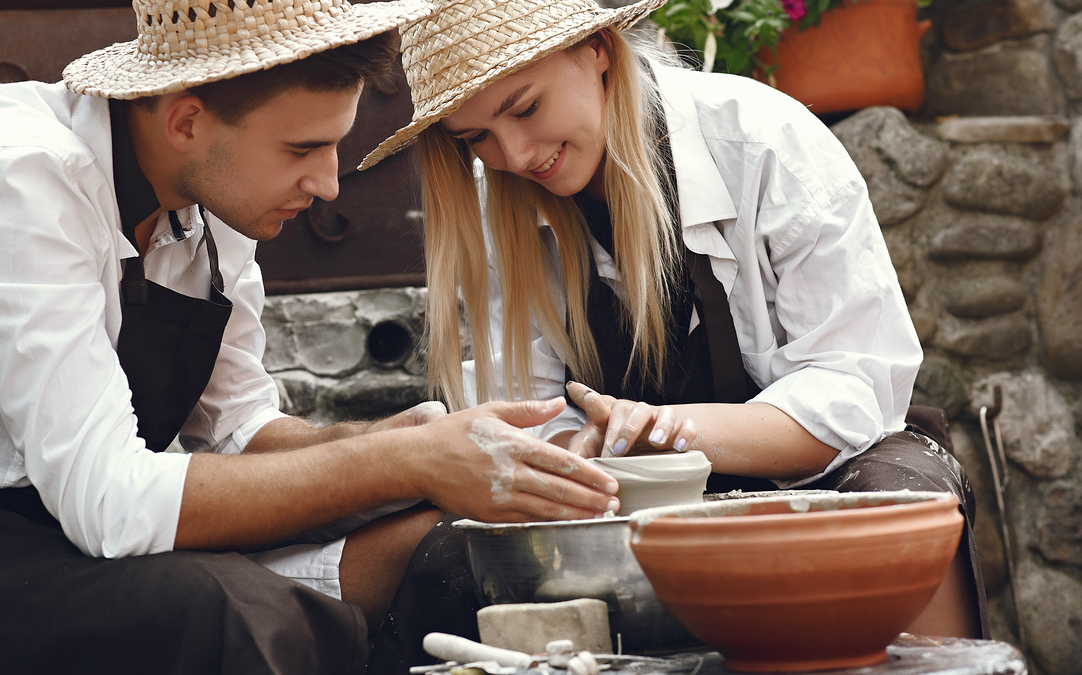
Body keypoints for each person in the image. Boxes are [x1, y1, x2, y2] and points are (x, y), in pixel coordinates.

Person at [0, 0, 625, 672]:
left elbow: (238, 428)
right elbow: (108, 500)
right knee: (223, 612)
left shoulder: (211, 200)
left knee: (445, 538)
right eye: (302, 150)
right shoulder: (14, 177)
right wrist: (398, 462)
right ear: (186, 121)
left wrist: (415, 441)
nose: (330, 183)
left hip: (70, 527)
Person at [359, 0, 989, 668]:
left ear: (598, 49)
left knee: (902, 499)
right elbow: (527, 422)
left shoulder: (762, 139)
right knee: (448, 558)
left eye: (524, 108)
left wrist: (672, 428)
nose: (511, 154)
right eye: (474, 139)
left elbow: (856, 382)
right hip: (623, 496)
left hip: (828, 466)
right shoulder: (498, 212)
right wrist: (579, 446)